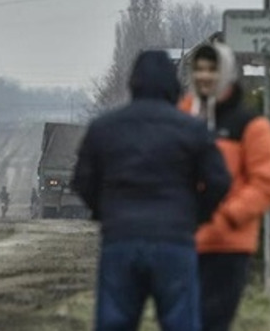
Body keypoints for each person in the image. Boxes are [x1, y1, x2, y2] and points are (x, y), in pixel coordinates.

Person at [72, 50, 231, 331]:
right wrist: (195, 215)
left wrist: (105, 211)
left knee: (114, 323)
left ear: (133, 83)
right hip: (175, 240)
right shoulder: (192, 130)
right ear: (173, 86)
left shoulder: (104, 128)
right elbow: (219, 181)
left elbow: (82, 180)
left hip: (121, 239)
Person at [180, 42, 270, 331]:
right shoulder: (182, 116)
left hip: (227, 245)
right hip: (182, 241)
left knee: (212, 322)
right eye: (199, 69)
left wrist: (227, 217)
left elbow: (267, 183)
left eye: (212, 69)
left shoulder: (250, 125)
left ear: (226, 73)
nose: (204, 76)